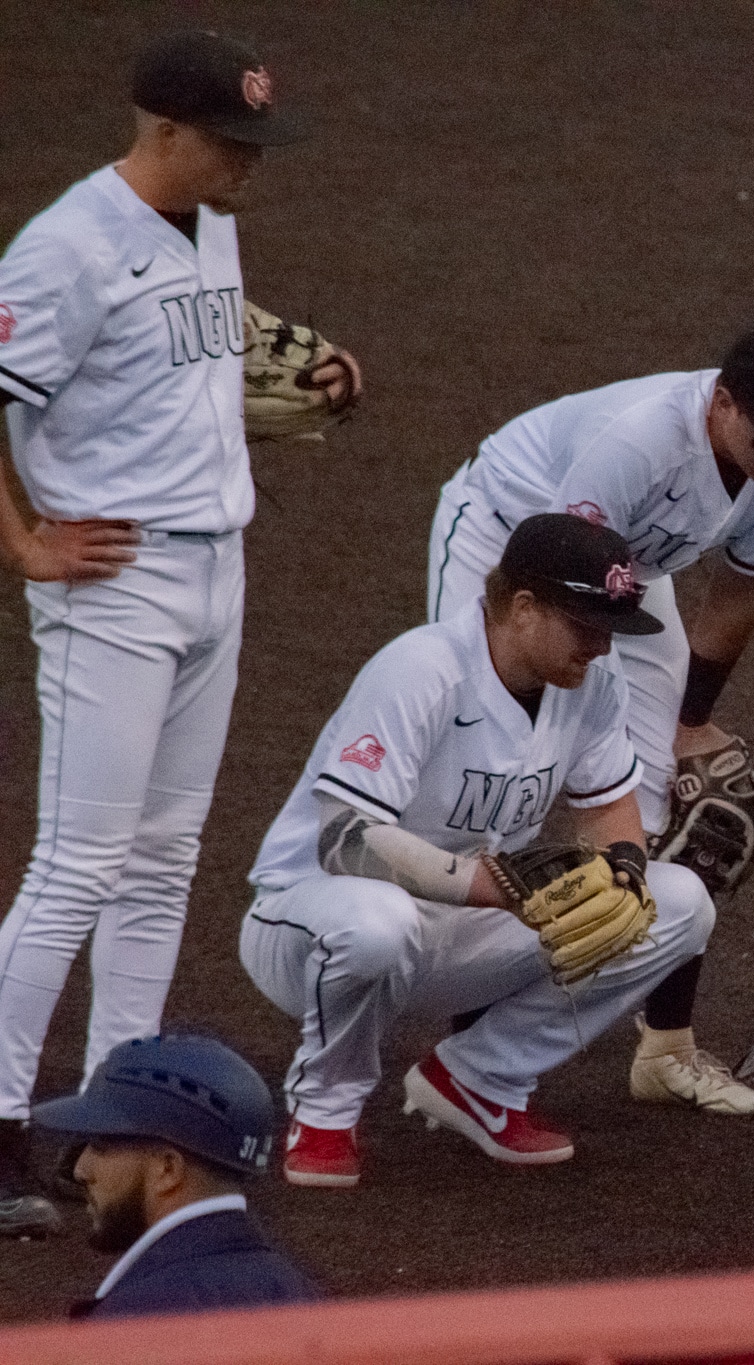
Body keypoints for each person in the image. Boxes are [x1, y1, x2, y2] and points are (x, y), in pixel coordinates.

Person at [0, 29, 361, 1238]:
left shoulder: (207, 220)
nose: (251, 161)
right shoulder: (64, 249)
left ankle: (113, 1119)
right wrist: (25, 541)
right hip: (118, 585)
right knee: (77, 867)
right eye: (232, 140)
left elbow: (184, 359)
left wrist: (302, 369)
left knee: (162, 862)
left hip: (218, 573)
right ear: (162, 131)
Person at [240, 515, 754, 1191]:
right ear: (523, 608)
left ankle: (480, 1078)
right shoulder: (421, 669)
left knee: (677, 905)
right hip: (309, 922)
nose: (602, 647)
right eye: (587, 626)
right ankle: (324, 1111)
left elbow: (608, 804)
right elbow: (346, 839)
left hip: (452, 924)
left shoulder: (591, 686)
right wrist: (497, 882)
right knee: (378, 921)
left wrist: (625, 865)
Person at [425, 323, 754, 837]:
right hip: (504, 527)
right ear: (723, 402)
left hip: (623, 559)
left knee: (656, 753)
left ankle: (626, 885)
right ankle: (434, 878)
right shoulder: (639, 440)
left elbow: (740, 592)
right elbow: (568, 582)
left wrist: (690, 723)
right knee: (486, 716)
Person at [32, 1034, 316, 1317]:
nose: (80, 1170)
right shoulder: (298, 1293)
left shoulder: (133, 1319)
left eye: (101, 1145)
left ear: (168, 1169)